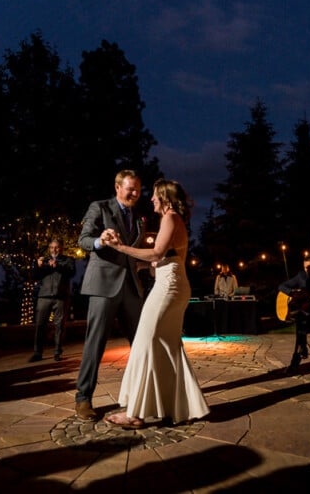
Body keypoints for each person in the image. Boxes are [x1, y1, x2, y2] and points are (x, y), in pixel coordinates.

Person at [103, 179, 209, 428]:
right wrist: (144, 264)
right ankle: (175, 406)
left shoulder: (170, 218)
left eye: (155, 196)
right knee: (168, 346)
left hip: (168, 288)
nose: (150, 199)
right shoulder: (174, 220)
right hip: (174, 283)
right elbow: (163, 259)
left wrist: (121, 247)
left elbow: (157, 253)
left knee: (145, 342)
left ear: (166, 199)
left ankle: (135, 414)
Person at [74, 169, 145, 421]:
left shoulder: (138, 219)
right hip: (103, 285)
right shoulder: (99, 207)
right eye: (130, 188)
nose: (135, 193)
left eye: (138, 189)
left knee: (142, 344)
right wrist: (100, 240)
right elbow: (83, 240)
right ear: (117, 187)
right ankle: (83, 398)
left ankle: (143, 397)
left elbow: (132, 253)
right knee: (95, 344)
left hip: (131, 288)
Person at [29, 238, 76, 362]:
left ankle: (57, 352)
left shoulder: (68, 260)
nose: (54, 250)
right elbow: (34, 276)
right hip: (44, 297)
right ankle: (37, 353)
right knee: (40, 325)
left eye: (56, 247)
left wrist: (57, 266)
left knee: (59, 326)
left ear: (61, 248)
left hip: (61, 297)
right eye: (51, 247)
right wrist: (36, 266)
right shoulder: (43, 261)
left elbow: (71, 272)